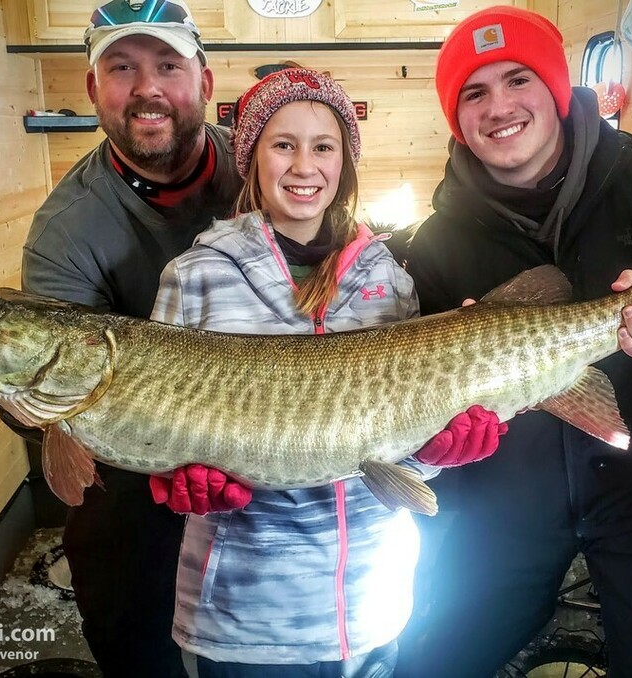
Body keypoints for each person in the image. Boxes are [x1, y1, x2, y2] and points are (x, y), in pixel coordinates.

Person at [394, 7, 632, 678]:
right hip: (500, 519)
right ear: (456, 119)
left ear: (558, 89)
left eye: (517, 79)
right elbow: (413, 410)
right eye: (473, 93)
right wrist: (440, 443)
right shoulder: (437, 246)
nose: (499, 106)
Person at [149, 67, 508, 678]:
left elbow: (395, 442)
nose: (303, 165)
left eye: (323, 146)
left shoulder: (389, 280)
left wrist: (436, 452)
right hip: (247, 622)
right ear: (253, 158)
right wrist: (178, 477)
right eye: (282, 144)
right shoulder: (195, 276)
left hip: (374, 608)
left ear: (344, 161)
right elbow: (158, 419)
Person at [1, 1, 242, 675]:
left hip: (271, 472)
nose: (147, 88)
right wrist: (8, 393)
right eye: (122, 68)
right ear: (92, 89)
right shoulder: (67, 231)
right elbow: (53, 390)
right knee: (140, 647)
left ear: (205, 82)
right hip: (135, 488)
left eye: (168, 65)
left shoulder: (268, 169)